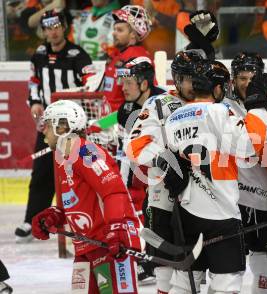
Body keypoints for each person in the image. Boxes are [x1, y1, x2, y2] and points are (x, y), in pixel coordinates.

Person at [159, 58, 267, 294]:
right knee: (226, 282)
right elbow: (248, 147)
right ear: (217, 88)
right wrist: (258, 108)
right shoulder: (219, 112)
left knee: (184, 281)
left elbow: (171, 161)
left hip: (186, 213)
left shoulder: (173, 118)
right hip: (220, 214)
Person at [31, 100, 141, 293]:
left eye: (47, 124)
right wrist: (53, 216)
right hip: (85, 247)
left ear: (62, 126)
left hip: (110, 242)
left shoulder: (85, 150)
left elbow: (113, 191)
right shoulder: (60, 158)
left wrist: (116, 229)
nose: (43, 131)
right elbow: (71, 204)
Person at [125, 50, 204, 294]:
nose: (196, 83)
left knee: (194, 271)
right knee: (165, 270)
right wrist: (164, 159)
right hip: (163, 196)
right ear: (178, 79)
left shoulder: (211, 102)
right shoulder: (159, 104)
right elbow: (134, 145)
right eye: (191, 78)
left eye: (199, 77)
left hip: (201, 198)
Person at [15, 10, 95, 243]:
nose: (53, 30)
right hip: (49, 125)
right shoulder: (38, 55)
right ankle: (32, 220)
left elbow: (91, 83)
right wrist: (36, 102)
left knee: (81, 170)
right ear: (44, 30)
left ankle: (86, 218)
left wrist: (71, 99)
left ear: (65, 27)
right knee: (41, 172)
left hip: (74, 125)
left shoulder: (77, 54)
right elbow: (33, 83)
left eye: (57, 25)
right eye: (48, 27)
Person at [223, 51, 267, 294]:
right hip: (229, 200)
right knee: (227, 271)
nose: (247, 83)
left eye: (252, 78)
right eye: (242, 78)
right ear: (233, 80)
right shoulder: (222, 108)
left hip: (264, 199)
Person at [115, 56, 166, 285]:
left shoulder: (164, 102)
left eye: (129, 82)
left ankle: (157, 261)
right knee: (147, 212)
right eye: (122, 82)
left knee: (157, 213)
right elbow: (126, 150)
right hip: (145, 175)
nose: (123, 88)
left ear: (144, 83)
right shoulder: (126, 109)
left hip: (168, 172)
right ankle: (151, 261)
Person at [103, 5, 153, 111]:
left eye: (120, 30)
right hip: (108, 121)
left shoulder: (138, 58)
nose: (113, 33)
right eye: (114, 29)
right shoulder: (115, 55)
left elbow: (145, 99)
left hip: (124, 122)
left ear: (133, 35)